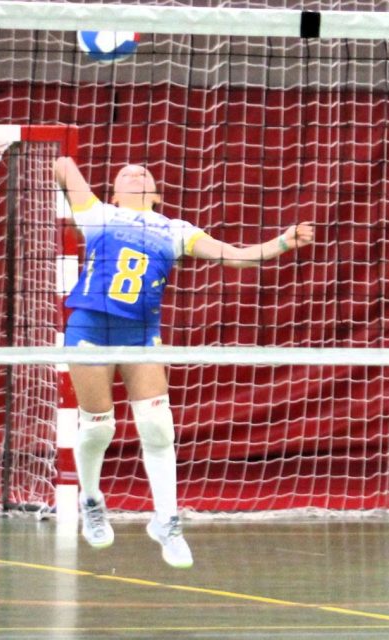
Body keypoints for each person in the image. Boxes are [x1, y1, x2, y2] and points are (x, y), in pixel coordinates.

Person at [54, 157, 315, 568]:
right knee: (99, 427)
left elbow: (236, 256)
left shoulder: (176, 230)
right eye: (126, 173)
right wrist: (62, 180)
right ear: (114, 193)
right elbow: (63, 163)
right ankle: (91, 499)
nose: (135, 173)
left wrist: (282, 242)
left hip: (141, 334)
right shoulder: (97, 214)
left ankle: (167, 521)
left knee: (158, 427)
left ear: (157, 195)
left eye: (143, 173)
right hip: (89, 327)